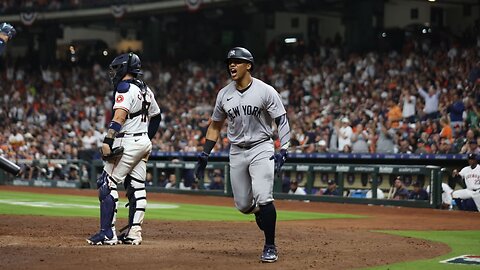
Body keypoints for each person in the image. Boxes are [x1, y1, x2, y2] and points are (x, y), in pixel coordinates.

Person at [194, 47, 290, 263]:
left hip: (261, 147)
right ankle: (258, 211)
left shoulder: (265, 91)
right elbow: (215, 125)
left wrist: (284, 147)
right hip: (236, 150)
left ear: (249, 65)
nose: (232, 65)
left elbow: (281, 119)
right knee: (243, 205)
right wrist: (205, 153)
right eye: (230, 62)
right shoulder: (224, 94)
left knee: (264, 197)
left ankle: (270, 245)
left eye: (237, 61)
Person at [87, 52, 162, 245]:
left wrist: (108, 141)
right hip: (143, 142)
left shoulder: (124, 87)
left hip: (127, 141)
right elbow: (157, 116)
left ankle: (107, 233)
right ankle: (134, 233)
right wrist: (144, 138)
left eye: (115, 69)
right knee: (137, 186)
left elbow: (119, 116)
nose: (113, 73)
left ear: (123, 69)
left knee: (107, 183)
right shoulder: (145, 89)